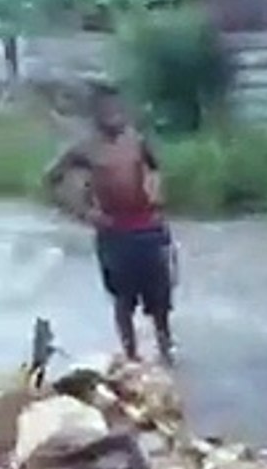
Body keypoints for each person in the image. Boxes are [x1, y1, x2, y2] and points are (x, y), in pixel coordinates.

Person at [44, 85, 175, 364]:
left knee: (160, 295)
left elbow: (156, 167)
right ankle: (131, 356)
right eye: (106, 108)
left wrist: (157, 190)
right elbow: (51, 178)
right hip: (114, 231)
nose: (114, 113)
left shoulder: (136, 139)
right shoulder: (85, 148)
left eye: (117, 107)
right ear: (96, 114)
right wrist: (83, 212)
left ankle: (166, 347)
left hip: (148, 227)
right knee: (124, 299)